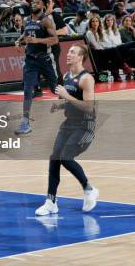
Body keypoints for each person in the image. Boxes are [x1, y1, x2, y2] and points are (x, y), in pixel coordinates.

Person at [35, 44, 99, 216]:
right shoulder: (66, 75)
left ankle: (89, 189)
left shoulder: (86, 79)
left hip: (85, 126)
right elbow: (71, 101)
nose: (68, 54)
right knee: (54, 158)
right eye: (69, 51)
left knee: (65, 157)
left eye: (73, 52)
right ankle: (51, 201)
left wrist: (66, 96)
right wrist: (60, 105)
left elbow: (88, 107)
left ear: (80, 57)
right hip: (69, 123)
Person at [15, 0, 59, 134]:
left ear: (43, 7)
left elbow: (55, 39)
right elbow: (25, 35)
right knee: (27, 91)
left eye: (37, 2)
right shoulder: (27, 20)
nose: (34, 4)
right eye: (32, 2)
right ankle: (25, 123)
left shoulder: (46, 20)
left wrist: (37, 40)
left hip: (45, 59)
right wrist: (19, 41)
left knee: (55, 89)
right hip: (30, 61)